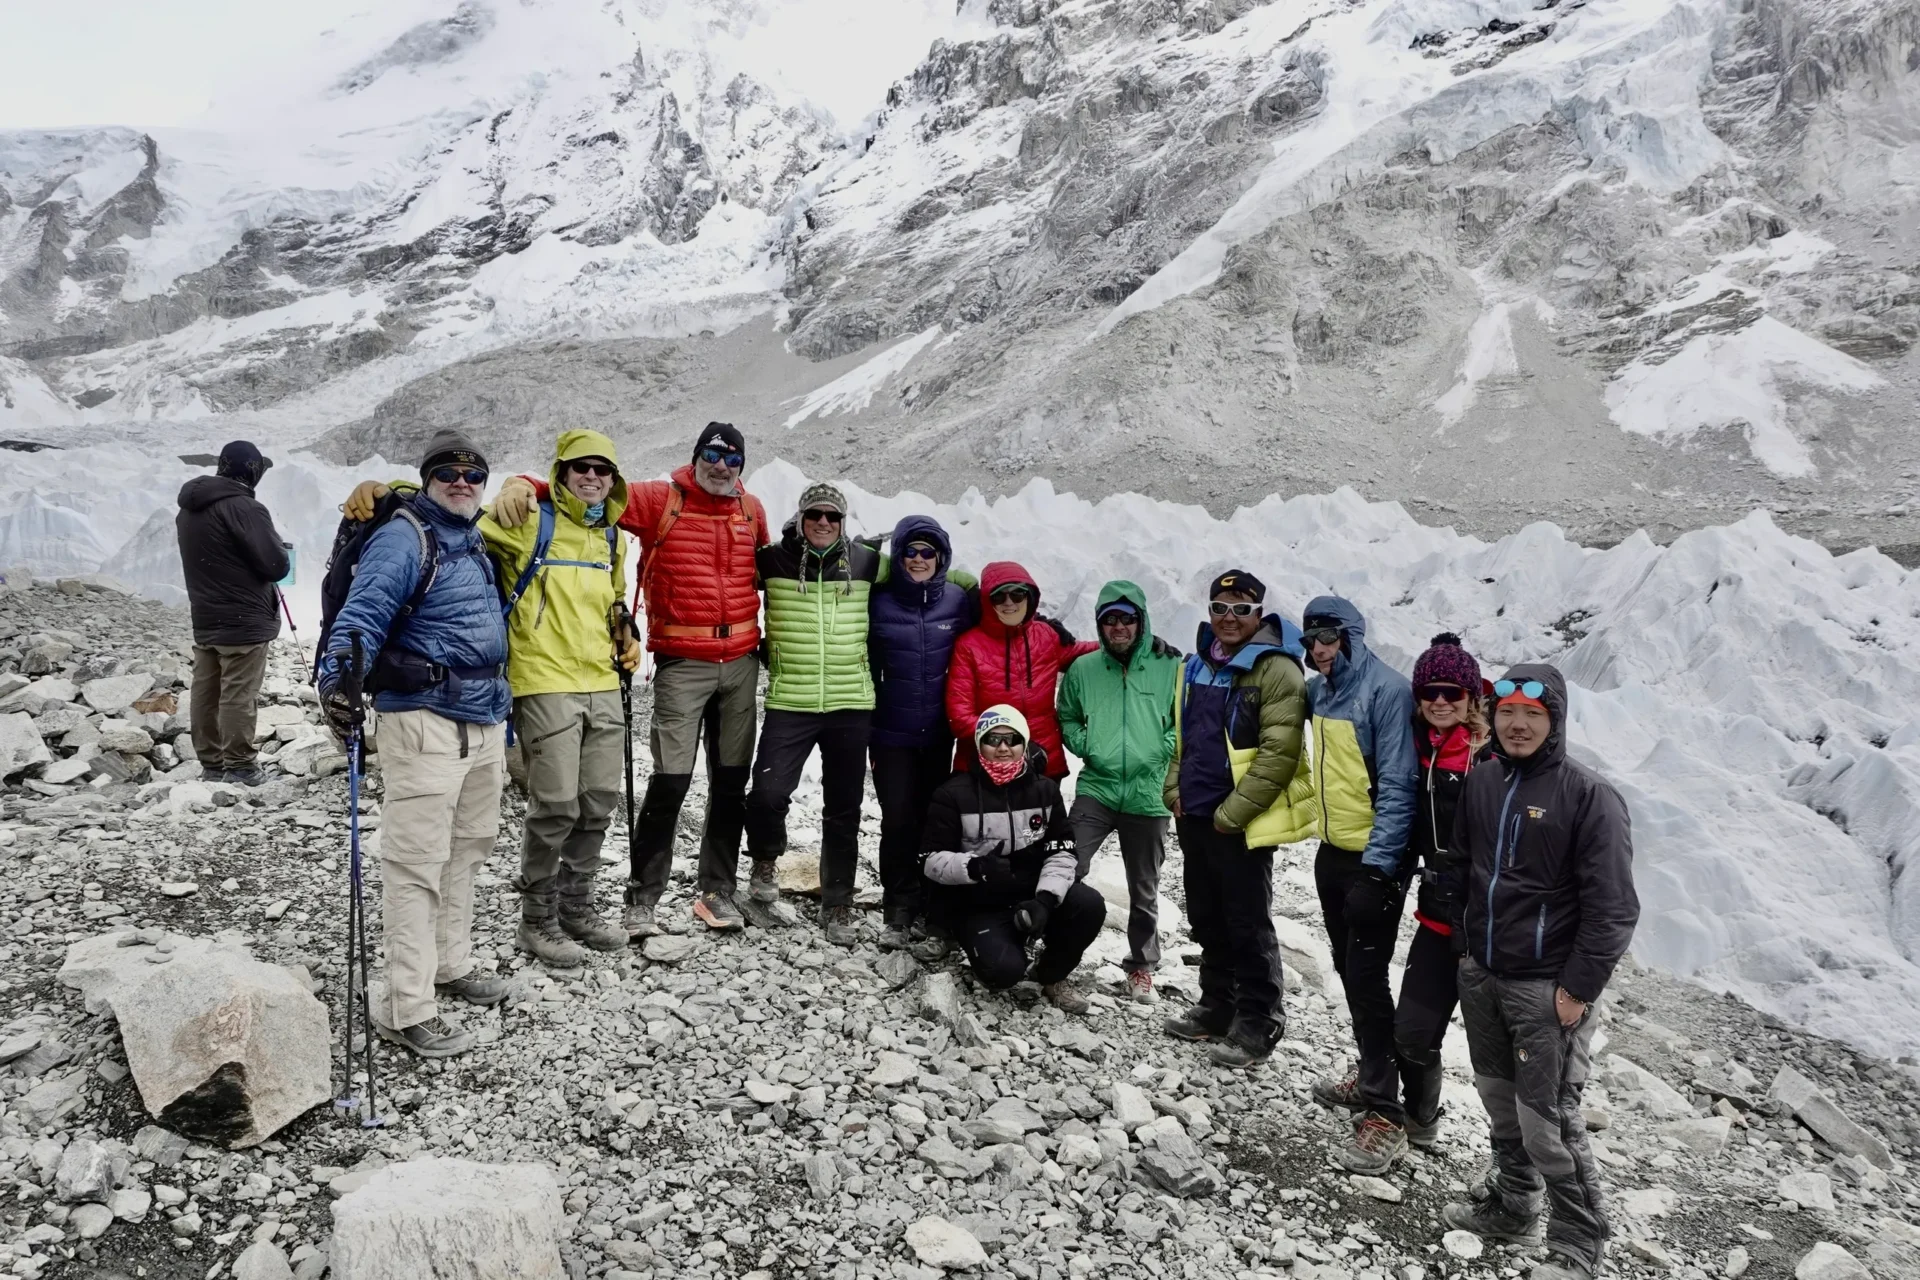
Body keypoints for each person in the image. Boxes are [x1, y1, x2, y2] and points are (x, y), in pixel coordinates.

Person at [491, 423, 770, 935]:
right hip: (682, 661)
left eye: (733, 459)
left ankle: (717, 892)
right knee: (670, 781)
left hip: (742, 662)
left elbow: (767, 573)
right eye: (712, 453)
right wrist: (523, 484)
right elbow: (589, 488)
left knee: (731, 782)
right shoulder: (660, 499)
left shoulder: (752, 512)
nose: (721, 466)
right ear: (696, 455)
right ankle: (642, 898)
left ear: (742, 467)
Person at [317, 431, 513, 1059]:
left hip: (481, 723)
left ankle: (448, 965)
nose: (463, 481)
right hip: (424, 722)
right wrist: (338, 682)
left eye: (473, 472)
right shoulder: (406, 535)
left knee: (467, 849)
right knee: (415, 861)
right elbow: (363, 613)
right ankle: (404, 1006)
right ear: (426, 479)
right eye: (448, 472)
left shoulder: (472, 537)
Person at [1442, 664, 1638, 1280]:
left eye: (1532, 714)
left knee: (1548, 1119)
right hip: (1485, 974)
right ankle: (1513, 1204)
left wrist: (1577, 988)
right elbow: (1464, 865)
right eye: (1507, 714)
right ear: (1493, 718)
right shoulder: (1484, 779)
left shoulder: (1588, 795)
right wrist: (1467, 950)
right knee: (1499, 1101)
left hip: (1546, 986)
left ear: (1553, 721)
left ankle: (1579, 1244)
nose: (1518, 725)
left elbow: (1613, 907)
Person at [1316, 633, 1489, 1152]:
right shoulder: (1416, 747)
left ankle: (1522, 1181)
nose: (1439, 701)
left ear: (1472, 698)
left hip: (1487, 923)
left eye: (1452, 693)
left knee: (1507, 1053)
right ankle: (1415, 1117)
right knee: (1413, 1029)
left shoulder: (1491, 759)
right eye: (1429, 691)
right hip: (1437, 916)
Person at [483, 431, 639, 965]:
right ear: (562, 472)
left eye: (603, 469)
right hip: (544, 678)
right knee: (554, 803)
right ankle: (537, 919)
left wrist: (626, 629)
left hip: (601, 679)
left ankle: (576, 906)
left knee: (598, 800)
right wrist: (513, 483)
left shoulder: (613, 537)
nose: (592, 476)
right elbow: (450, 518)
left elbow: (614, 596)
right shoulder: (530, 520)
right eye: (580, 468)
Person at [1160, 570, 1313, 1068]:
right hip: (1196, 812)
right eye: (1220, 608)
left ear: (1258, 615)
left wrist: (1233, 813)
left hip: (1240, 820)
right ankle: (1216, 1005)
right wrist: (1173, 788)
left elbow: (1279, 755)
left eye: (1240, 610)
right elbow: (1183, 736)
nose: (1228, 618)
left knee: (1247, 920)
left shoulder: (1276, 670)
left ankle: (1259, 1019)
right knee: (1207, 913)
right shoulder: (1198, 663)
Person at [1299, 595, 1419, 1172]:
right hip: (1333, 853)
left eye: (1327, 636)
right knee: (1350, 972)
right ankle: (1375, 1073)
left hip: (1373, 864)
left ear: (1351, 633)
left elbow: (1397, 784)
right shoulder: (1320, 690)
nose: (1317, 648)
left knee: (1368, 979)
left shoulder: (1386, 691)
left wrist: (1379, 868)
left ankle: (1387, 1114)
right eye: (1310, 639)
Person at [739, 482, 881, 946]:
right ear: (800, 518)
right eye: (815, 514)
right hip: (790, 700)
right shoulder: (773, 559)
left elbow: (932, 570)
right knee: (766, 793)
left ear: (844, 522)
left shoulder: (865, 562)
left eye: (833, 516)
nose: (823, 522)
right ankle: (764, 859)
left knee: (844, 808)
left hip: (851, 703)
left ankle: (838, 901)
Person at [920, 705, 1106, 1013]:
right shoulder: (952, 794)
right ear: (979, 744)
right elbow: (929, 860)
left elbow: (1062, 850)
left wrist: (1045, 901)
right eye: (993, 740)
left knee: (1089, 905)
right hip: (979, 902)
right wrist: (974, 866)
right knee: (1002, 973)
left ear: (1025, 743)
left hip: (1032, 894)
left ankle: (1052, 974)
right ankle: (1000, 943)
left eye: (1012, 739)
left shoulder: (1045, 791)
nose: (1003, 748)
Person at [1056, 581, 1180, 1004]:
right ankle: (1055, 956)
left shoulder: (1170, 667)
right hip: (1098, 788)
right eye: (1110, 619)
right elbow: (1067, 716)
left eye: (1127, 618)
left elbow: (1180, 722)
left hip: (1149, 795)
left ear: (1140, 622)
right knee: (1066, 865)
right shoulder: (1084, 670)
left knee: (1143, 887)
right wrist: (1088, 745)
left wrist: (1159, 751)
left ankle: (1141, 967)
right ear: (1100, 624)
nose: (1118, 627)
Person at [867, 515, 978, 950]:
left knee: (935, 821)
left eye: (927, 552)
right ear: (898, 556)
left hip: (937, 733)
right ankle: (898, 907)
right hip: (889, 732)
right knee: (897, 820)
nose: (918, 559)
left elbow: (996, 629)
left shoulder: (957, 600)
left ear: (941, 557)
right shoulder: (878, 600)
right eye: (910, 551)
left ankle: (933, 907)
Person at [174, 441, 290, 787]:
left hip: (207, 615)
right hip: (244, 618)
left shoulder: (188, 509)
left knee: (206, 690)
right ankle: (240, 766)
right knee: (238, 693)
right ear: (251, 470)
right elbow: (275, 565)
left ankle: (211, 764)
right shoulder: (245, 508)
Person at [946, 562, 1093, 781]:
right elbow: (959, 717)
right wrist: (1011, 744)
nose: (1009, 603)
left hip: (1043, 764)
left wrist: (1141, 643)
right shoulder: (969, 645)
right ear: (987, 601)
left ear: (1029, 598)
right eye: (999, 597)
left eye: (1017, 595)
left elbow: (1092, 653)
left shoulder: (1047, 636)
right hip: (984, 768)